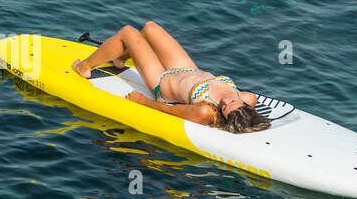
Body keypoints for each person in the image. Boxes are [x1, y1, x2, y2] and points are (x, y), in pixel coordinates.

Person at [72, 21, 271, 133]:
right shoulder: (248, 99)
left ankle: (84, 66)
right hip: (186, 69)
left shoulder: (206, 112)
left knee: (128, 32)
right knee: (149, 28)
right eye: (232, 101)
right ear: (245, 106)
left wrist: (142, 101)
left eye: (225, 108)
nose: (225, 101)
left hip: (161, 82)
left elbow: (170, 109)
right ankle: (121, 58)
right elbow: (245, 115)